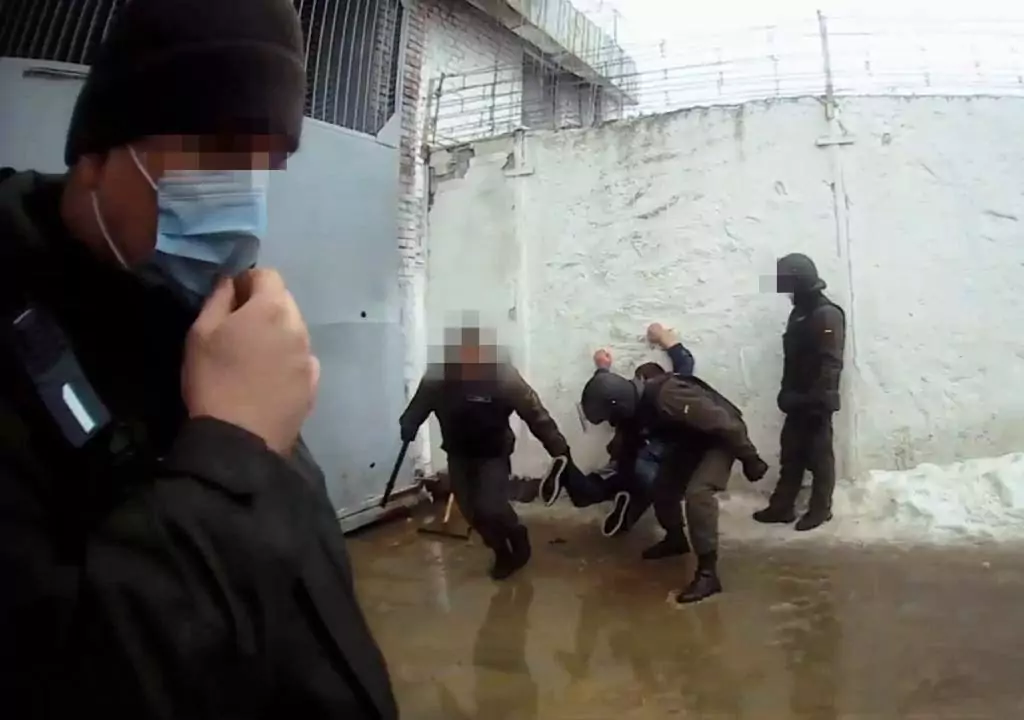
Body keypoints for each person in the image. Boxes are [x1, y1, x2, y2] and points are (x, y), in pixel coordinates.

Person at [0, 1, 397, 717]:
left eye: (265, 166)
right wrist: (232, 450)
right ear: (95, 156)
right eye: (216, 153)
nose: (245, 203)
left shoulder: (205, 323)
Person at [399, 325, 581, 581]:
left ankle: (516, 533)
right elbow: (420, 403)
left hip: (493, 452)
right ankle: (500, 550)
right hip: (458, 451)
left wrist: (559, 449)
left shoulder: (502, 375)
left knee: (491, 506)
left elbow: (535, 413)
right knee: (471, 511)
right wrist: (409, 422)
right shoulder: (438, 375)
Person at [579, 365, 769, 603]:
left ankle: (708, 573)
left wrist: (750, 458)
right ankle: (676, 539)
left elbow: (724, 423)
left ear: (618, 405)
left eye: (609, 415)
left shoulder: (667, 395)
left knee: (698, 494)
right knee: (661, 487)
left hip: (721, 438)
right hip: (691, 442)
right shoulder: (633, 415)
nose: (610, 421)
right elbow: (627, 457)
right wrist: (608, 488)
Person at [544, 323, 696, 538]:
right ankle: (627, 513)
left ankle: (567, 470)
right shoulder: (672, 395)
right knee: (645, 489)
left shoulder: (630, 405)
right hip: (646, 466)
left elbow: (607, 394)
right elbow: (685, 362)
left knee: (588, 493)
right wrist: (663, 336)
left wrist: (602, 367)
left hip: (626, 463)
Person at [754, 253, 846, 531]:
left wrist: (818, 400)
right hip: (796, 398)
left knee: (819, 457)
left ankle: (821, 508)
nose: (785, 291)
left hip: (815, 401)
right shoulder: (799, 314)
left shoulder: (827, 314)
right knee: (791, 455)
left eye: (787, 283)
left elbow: (830, 362)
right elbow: (792, 359)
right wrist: (786, 392)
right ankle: (782, 506)